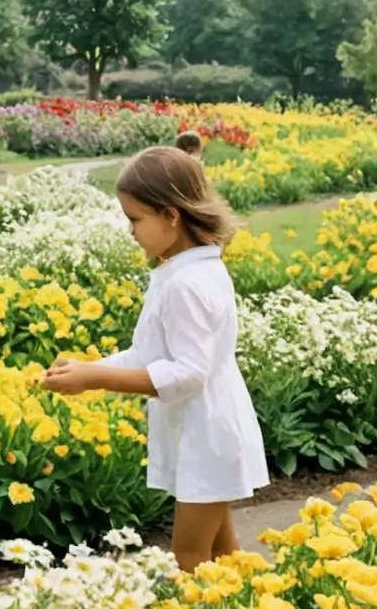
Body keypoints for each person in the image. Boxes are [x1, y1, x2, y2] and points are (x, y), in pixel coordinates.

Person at [42, 146, 268, 573]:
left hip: (207, 433)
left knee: (190, 556)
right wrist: (87, 370)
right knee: (223, 556)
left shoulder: (186, 283)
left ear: (171, 216)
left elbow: (188, 374)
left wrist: (94, 379)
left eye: (135, 219)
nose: (130, 231)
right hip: (203, 428)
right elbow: (147, 355)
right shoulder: (183, 272)